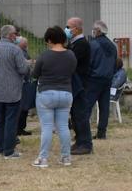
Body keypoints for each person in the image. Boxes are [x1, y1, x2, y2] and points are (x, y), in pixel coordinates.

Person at [0, 25, 29, 159]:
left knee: (0, 120)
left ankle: (0, 148)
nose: (16, 36)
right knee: (11, 121)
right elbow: (23, 70)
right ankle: (9, 151)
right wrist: (27, 64)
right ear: (10, 35)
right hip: (13, 91)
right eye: (15, 34)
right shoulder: (16, 50)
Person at [31, 26, 75, 167]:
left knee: (47, 127)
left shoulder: (44, 56)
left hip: (46, 93)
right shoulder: (71, 55)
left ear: (49, 40)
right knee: (63, 126)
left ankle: (43, 159)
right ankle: (66, 157)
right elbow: (72, 71)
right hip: (66, 93)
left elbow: (35, 74)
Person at [85, 20, 117, 141]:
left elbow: (89, 62)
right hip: (108, 79)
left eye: (94, 29)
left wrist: (87, 76)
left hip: (94, 79)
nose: (92, 31)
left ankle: (84, 132)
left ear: (98, 31)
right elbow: (115, 64)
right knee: (104, 107)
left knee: (87, 106)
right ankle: (101, 132)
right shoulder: (112, 46)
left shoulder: (93, 45)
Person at [66, 17, 93, 154]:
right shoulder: (74, 43)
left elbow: (71, 61)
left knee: (80, 114)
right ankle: (79, 140)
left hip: (81, 84)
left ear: (76, 28)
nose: (67, 29)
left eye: (68, 27)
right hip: (75, 84)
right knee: (75, 114)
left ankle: (86, 143)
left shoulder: (82, 44)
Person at [15, 36, 36, 136]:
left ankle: (20, 127)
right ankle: (19, 128)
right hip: (23, 83)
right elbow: (23, 66)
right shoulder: (19, 52)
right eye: (25, 43)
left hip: (26, 82)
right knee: (23, 106)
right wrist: (30, 63)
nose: (27, 44)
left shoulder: (23, 52)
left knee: (24, 107)